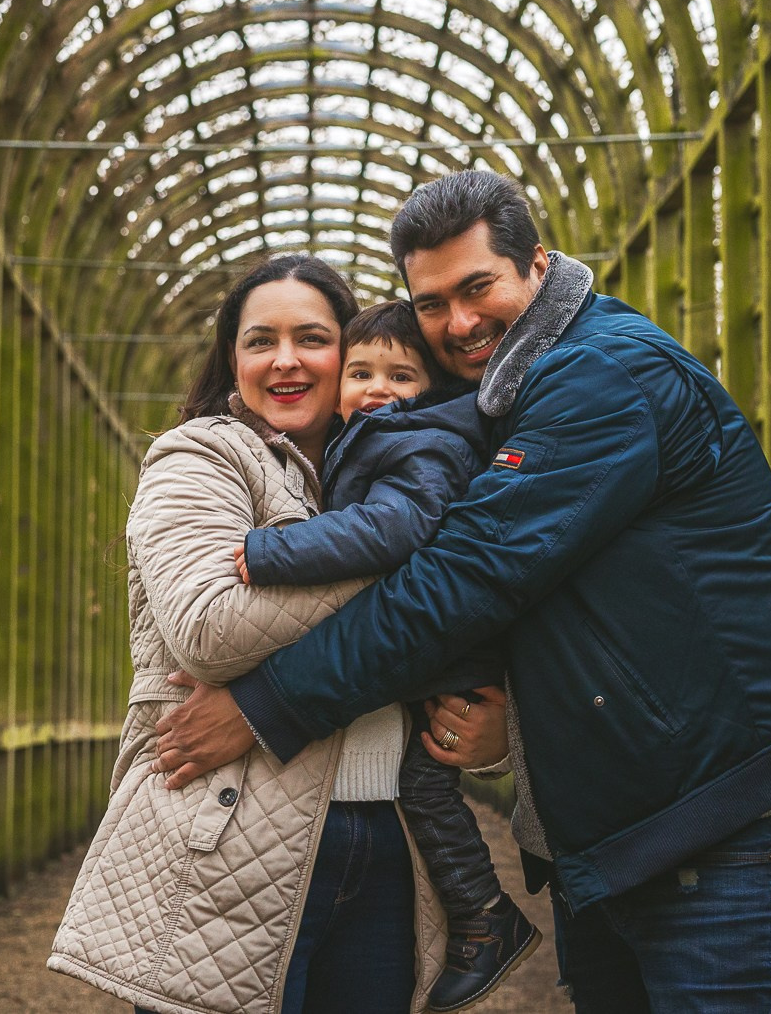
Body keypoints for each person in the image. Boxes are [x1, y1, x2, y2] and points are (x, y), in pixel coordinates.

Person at [153, 172, 771, 1013]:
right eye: (431, 302)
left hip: (711, 812)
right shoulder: (504, 404)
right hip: (630, 818)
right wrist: (513, 719)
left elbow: (469, 578)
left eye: (477, 286)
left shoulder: (602, 376)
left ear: (537, 263)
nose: (458, 321)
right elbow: (556, 597)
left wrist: (269, 702)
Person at [46, 255, 453, 1014]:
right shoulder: (200, 455)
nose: (287, 359)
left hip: (388, 844)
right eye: (260, 339)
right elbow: (209, 630)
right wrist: (428, 560)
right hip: (225, 837)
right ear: (233, 360)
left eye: (313, 338)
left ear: (352, 352)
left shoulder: (396, 475)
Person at [233, 299, 539, 1011]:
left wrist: (272, 551)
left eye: (400, 375)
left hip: (447, 652)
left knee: (424, 786)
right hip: (429, 650)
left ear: (431, 389)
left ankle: (483, 915)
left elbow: (393, 527)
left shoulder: (419, 442)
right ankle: (481, 914)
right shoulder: (373, 438)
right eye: (361, 370)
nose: (376, 387)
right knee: (423, 783)